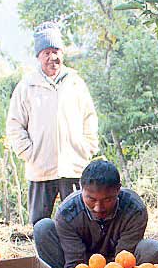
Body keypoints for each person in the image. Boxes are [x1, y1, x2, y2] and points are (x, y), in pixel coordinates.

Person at [6, 21, 99, 225]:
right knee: (40, 224)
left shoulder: (75, 82)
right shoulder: (26, 86)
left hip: (73, 165)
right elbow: (14, 125)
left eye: (56, 51)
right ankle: (43, 258)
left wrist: (87, 147)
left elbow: (89, 117)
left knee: (79, 221)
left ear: (62, 53)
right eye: (46, 52)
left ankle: (78, 258)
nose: (52, 58)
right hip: (40, 167)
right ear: (39, 56)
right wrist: (29, 153)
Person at [34, 160, 158, 268]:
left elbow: (124, 259)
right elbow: (75, 263)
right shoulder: (67, 213)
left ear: (118, 190)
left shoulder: (134, 210)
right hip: (81, 266)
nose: (98, 207)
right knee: (42, 228)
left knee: (151, 249)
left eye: (107, 200)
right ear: (81, 187)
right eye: (91, 199)